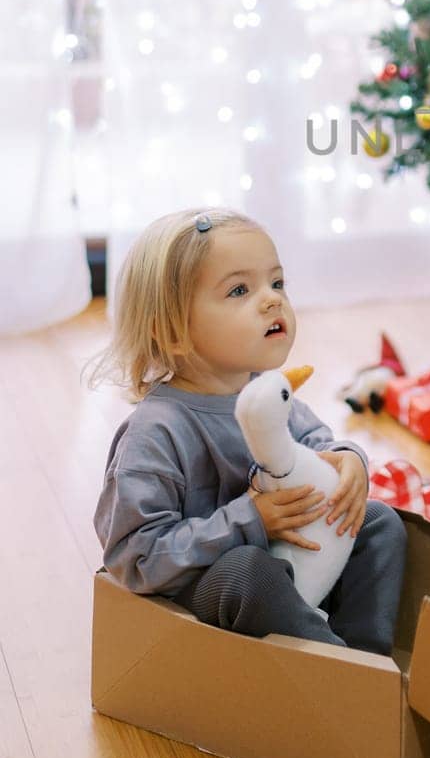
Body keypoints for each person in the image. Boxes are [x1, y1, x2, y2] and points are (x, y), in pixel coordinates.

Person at [89, 207, 406, 653]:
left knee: (378, 522)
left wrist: (348, 459)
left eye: (276, 283)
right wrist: (250, 520)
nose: (272, 299)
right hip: (209, 584)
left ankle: (367, 660)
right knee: (249, 570)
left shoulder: (266, 393)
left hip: (291, 561)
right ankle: (335, 672)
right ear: (173, 332)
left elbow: (318, 445)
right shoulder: (156, 432)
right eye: (239, 289)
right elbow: (134, 558)